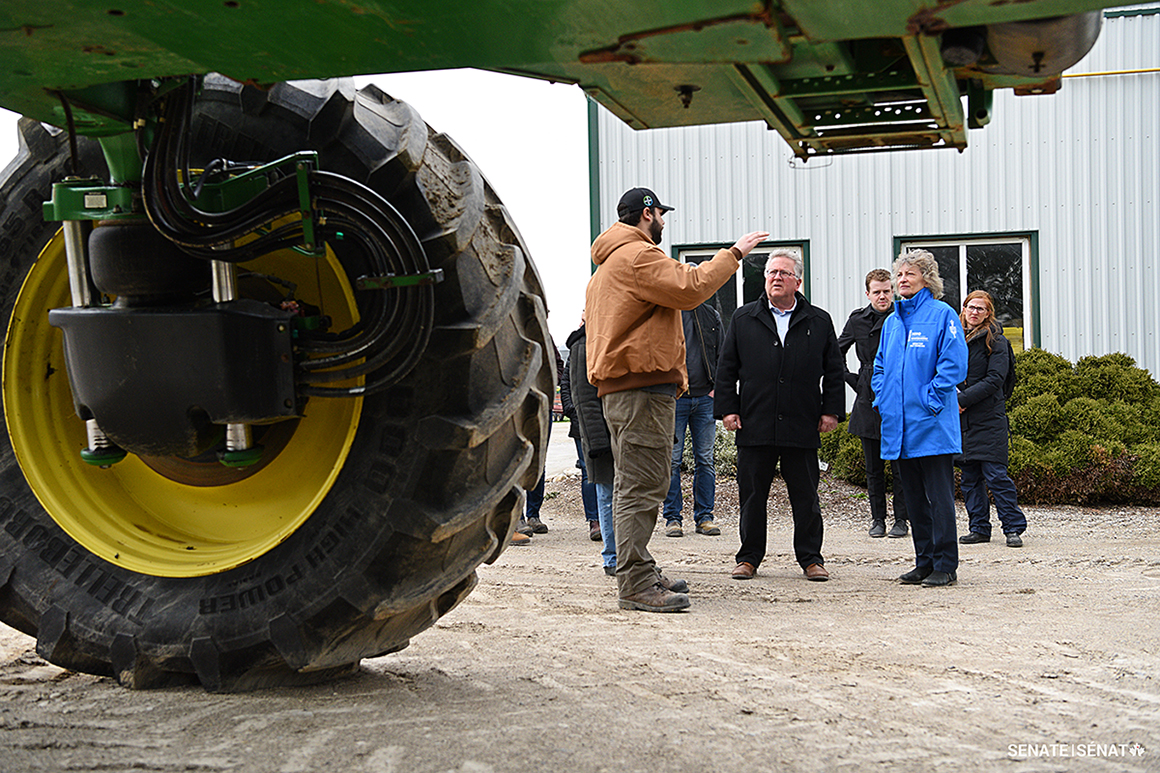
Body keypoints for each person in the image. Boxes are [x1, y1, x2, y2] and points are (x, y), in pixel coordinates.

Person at [586, 186, 767, 612]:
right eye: (661, 214)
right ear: (648, 214)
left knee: (638, 481)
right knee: (641, 485)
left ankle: (640, 569)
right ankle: (634, 583)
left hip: (626, 389)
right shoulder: (637, 255)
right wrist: (734, 253)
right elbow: (691, 287)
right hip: (641, 389)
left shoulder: (609, 265)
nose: (664, 222)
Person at [715, 251, 845, 582]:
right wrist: (728, 409)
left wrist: (830, 411)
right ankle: (748, 558)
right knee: (752, 496)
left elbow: (833, 370)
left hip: (801, 422)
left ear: (798, 281)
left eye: (783, 273)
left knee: (806, 496)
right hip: (755, 422)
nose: (775, 277)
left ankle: (812, 558)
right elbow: (727, 368)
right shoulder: (744, 319)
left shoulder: (818, 321)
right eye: (771, 272)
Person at [872, 250, 968, 587]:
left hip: (931, 423)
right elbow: (880, 365)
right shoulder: (893, 322)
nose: (901, 281)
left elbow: (954, 364)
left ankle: (946, 564)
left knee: (938, 498)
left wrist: (930, 397)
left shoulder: (942, 315)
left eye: (909, 274)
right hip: (900, 426)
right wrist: (882, 395)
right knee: (913, 498)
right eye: (899, 275)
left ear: (927, 278)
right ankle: (924, 561)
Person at [837, 269, 909, 539]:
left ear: (893, 291)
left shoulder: (904, 315)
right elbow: (836, 352)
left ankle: (902, 519)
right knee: (873, 466)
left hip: (900, 392)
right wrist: (855, 381)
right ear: (868, 294)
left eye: (887, 291)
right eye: (876, 291)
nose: (882, 296)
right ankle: (877, 518)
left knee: (901, 465)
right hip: (869, 397)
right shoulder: (858, 320)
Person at [956, 290, 1028, 548]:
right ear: (963, 309)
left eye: (980, 309)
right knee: (969, 477)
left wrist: (961, 400)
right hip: (962, 421)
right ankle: (978, 528)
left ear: (988, 313)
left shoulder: (996, 340)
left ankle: (1013, 527)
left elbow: (996, 380)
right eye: (971, 307)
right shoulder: (955, 337)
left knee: (996, 475)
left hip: (988, 418)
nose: (974, 312)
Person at [663, 301, 724, 538]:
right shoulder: (665, 312)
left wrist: (716, 387)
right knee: (671, 461)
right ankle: (673, 519)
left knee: (705, 460)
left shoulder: (710, 315)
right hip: (674, 398)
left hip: (705, 398)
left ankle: (705, 518)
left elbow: (723, 352)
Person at [567, 313, 618, 575]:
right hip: (601, 434)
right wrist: (597, 441)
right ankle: (613, 558)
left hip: (624, 429)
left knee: (630, 496)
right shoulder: (583, 345)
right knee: (607, 494)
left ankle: (632, 557)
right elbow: (584, 398)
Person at [560, 317, 601, 542]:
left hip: (604, 418)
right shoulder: (578, 346)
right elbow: (566, 383)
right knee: (588, 472)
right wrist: (572, 410)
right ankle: (594, 521)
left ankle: (608, 520)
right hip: (581, 420)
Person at [519, 339, 564, 540]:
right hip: (517, 406)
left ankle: (533, 515)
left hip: (541, 407)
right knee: (517, 461)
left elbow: (559, 366)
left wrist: (548, 385)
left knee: (539, 461)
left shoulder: (546, 340)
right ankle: (516, 517)